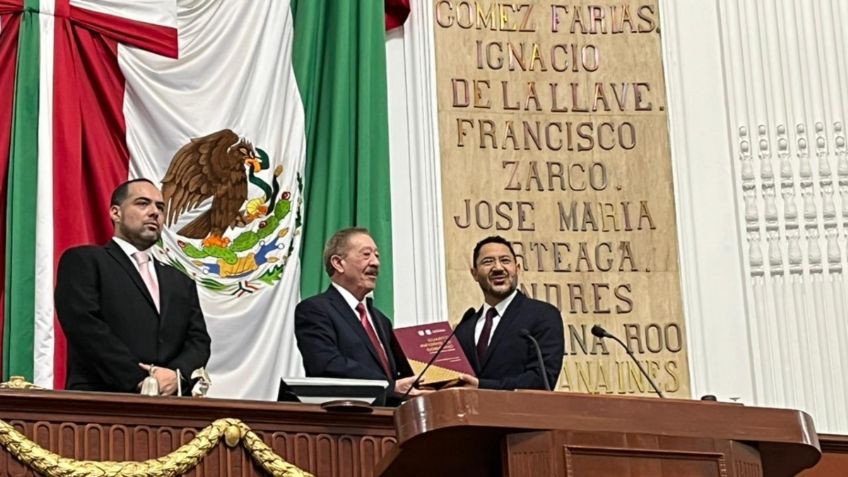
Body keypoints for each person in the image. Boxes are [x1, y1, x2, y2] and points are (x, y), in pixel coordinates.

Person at [55, 178, 211, 395]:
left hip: (171, 408)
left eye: (160, 207)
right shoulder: (84, 261)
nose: (154, 212)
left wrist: (176, 376)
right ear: (115, 213)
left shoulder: (180, 281)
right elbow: (85, 327)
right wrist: (142, 380)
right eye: (142, 203)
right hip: (100, 403)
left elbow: (199, 341)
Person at [294, 227, 423, 401]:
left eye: (377, 255)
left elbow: (398, 374)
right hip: (346, 420)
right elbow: (326, 364)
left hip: (389, 421)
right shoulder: (314, 310)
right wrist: (389, 387)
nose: (375, 262)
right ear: (338, 263)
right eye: (366, 254)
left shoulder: (381, 320)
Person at [455, 235, 564, 390]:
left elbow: (541, 379)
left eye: (505, 260)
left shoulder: (543, 315)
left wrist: (482, 386)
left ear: (517, 269)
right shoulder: (465, 328)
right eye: (488, 262)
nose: (498, 268)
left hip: (519, 413)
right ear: (475, 274)